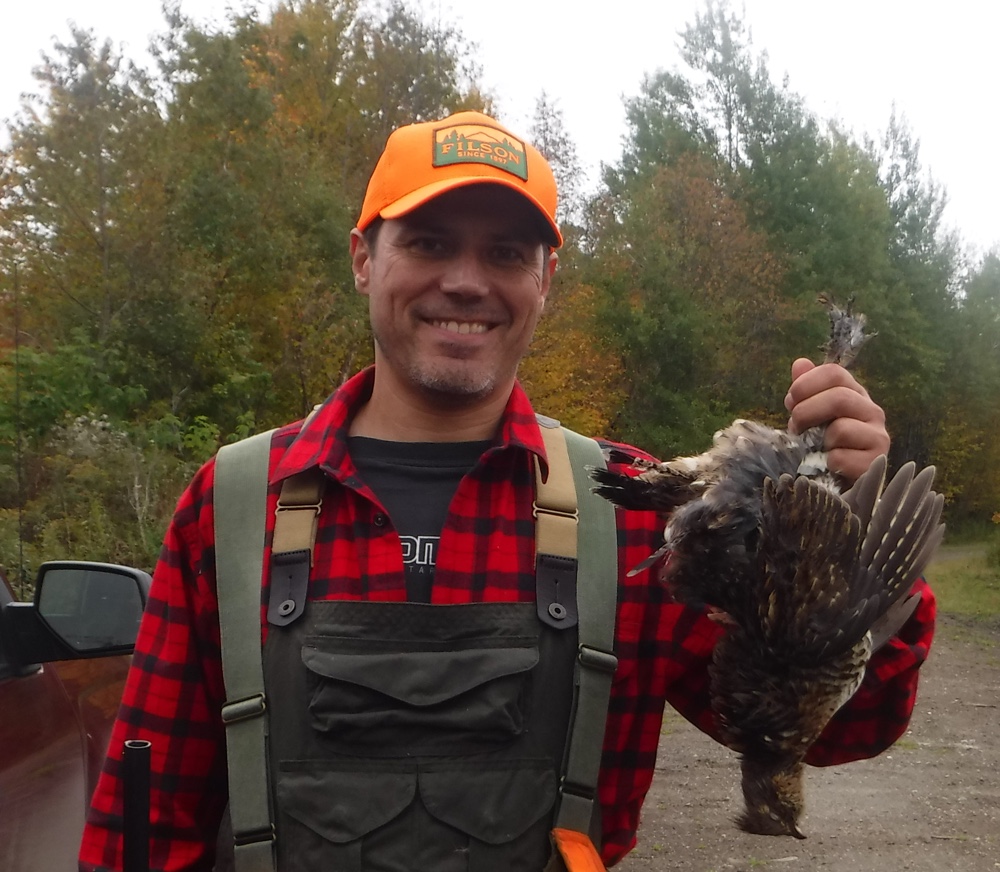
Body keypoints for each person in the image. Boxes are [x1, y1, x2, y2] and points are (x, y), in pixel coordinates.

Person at [79, 110, 934, 872]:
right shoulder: (232, 506)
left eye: (505, 253)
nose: (466, 280)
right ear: (361, 259)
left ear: (544, 281)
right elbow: (141, 826)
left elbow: (843, 733)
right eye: (428, 241)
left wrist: (849, 557)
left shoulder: (640, 517)